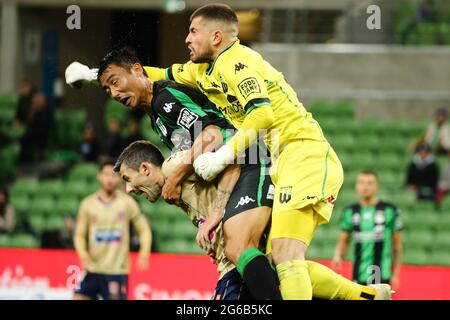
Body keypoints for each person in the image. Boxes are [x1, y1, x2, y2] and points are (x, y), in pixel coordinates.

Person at [145, 3, 346, 300]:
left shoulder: (238, 62)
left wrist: (222, 157)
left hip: (302, 152)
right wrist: (95, 73)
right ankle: (365, 294)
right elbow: (155, 74)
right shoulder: (202, 70)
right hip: (281, 160)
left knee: (286, 254)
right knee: (277, 260)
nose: (186, 38)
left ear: (216, 37)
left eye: (193, 31)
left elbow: (262, 115)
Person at [69, 47, 281, 300]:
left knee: (239, 248)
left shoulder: (163, 98)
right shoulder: (155, 115)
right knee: (273, 261)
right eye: (107, 90)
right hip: (238, 166)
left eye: (115, 83)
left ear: (137, 70)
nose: (114, 94)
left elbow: (211, 135)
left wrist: (176, 178)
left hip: (250, 160)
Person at [115, 141, 393, 300]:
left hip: (240, 256)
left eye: (128, 180)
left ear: (145, 168)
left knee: (285, 268)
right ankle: (364, 295)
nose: (128, 189)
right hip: (242, 252)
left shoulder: (174, 166)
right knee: (288, 268)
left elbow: (226, 149)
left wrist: (219, 213)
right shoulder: (172, 191)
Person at [73, 159, 152, 300]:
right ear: (99, 176)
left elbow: (144, 230)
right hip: (92, 268)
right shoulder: (87, 204)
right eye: (106, 174)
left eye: (113, 175)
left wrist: (144, 254)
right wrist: (83, 254)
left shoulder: (128, 203)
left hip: (116, 270)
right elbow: (79, 235)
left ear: (119, 178)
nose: (109, 179)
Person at [332, 170, 404, 291]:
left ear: (377, 186)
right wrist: (337, 256)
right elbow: (343, 240)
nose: (365, 187)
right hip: (357, 274)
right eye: (361, 183)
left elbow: (397, 245)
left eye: (370, 183)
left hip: (382, 274)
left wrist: (396, 274)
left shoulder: (389, 210)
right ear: (356, 186)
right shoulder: (349, 211)